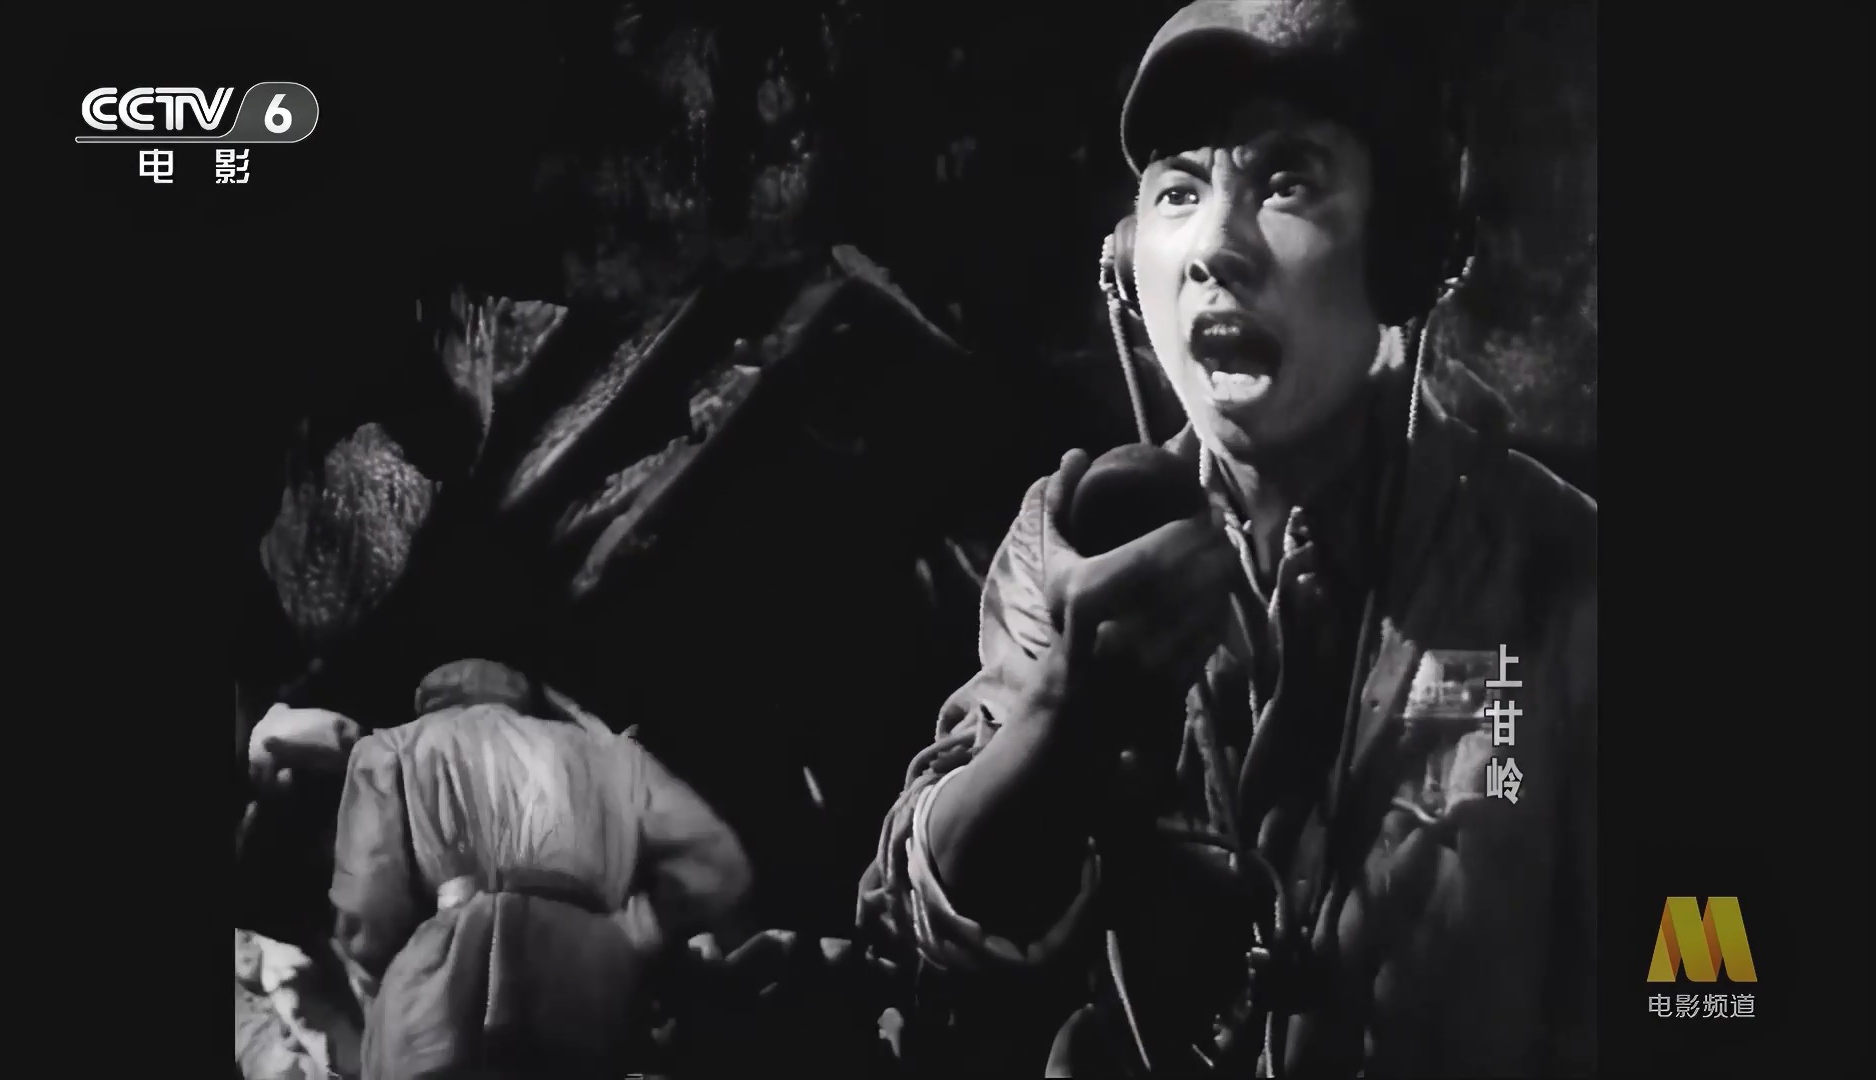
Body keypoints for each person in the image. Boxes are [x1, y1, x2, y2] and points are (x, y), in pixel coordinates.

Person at [856, 1, 1597, 1075]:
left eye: (1285, 182)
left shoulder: (1558, 570)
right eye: (1178, 192)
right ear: (1127, 260)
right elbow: (920, 934)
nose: (1213, 249)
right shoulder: (1073, 542)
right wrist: (1062, 721)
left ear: (1407, 249)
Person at [328, 658, 754, 1079]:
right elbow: (717, 862)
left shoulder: (394, 747)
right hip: (589, 986)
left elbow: (368, 904)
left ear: (431, 702)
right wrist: (634, 931)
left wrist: (387, 966)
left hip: (448, 990)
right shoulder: (614, 755)